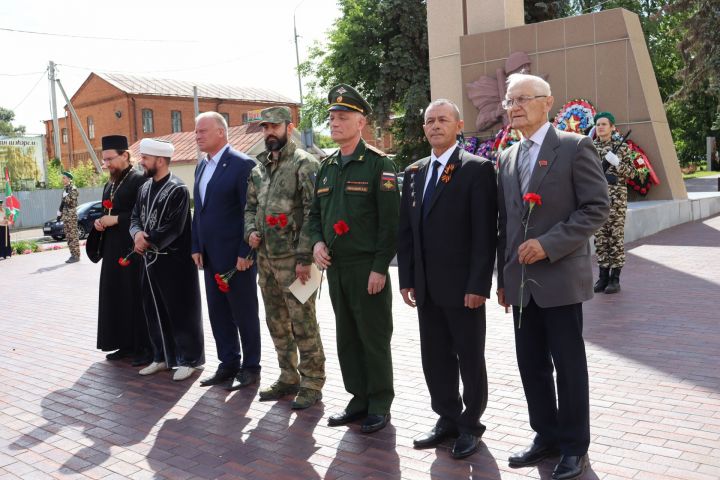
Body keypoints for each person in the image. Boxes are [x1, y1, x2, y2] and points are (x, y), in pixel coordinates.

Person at [496, 73, 609, 480]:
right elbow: (506, 224)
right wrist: (504, 278)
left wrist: (549, 243)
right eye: (510, 101)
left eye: (523, 99)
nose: (515, 107)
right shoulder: (508, 156)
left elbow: (597, 207)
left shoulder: (574, 146)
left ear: (548, 102)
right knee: (531, 365)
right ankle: (545, 434)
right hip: (522, 284)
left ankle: (574, 447)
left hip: (559, 277)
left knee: (568, 365)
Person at [397, 99, 497, 459]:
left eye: (442, 120)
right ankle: (447, 417)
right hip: (425, 287)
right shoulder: (413, 172)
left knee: (469, 357)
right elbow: (406, 230)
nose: (435, 125)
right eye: (429, 121)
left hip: (462, 288)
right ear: (424, 129)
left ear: (458, 126)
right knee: (435, 357)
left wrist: (477, 285)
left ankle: (471, 424)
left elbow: (485, 234)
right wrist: (407, 278)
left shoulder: (477, 169)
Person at [308, 84, 400, 433]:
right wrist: (316, 243)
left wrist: (380, 267)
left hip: (366, 268)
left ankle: (379, 402)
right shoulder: (328, 166)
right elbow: (315, 215)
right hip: (336, 269)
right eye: (332, 117)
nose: (335, 122)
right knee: (347, 337)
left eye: (343, 117)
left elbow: (390, 224)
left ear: (361, 122)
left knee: (373, 337)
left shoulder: (378, 164)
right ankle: (358, 398)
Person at [245, 106, 326, 409]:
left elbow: (313, 213)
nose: (269, 133)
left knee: (303, 323)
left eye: (274, 127)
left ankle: (312, 382)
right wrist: (250, 231)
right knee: (277, 322)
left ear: (288, 128)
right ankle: (287, 376)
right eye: (265, 127)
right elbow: (249, 209)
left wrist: (306, 257)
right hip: (266, 262)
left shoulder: (305, 164)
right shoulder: (258, 169)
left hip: (298, 262)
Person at [191, 112, 261, 390]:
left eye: (202, 131)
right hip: (209, 256)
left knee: (244, 312)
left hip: (236, 257)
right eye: (196, 132)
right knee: (218, 312)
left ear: (221, 132)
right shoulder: (200, 166)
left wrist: (247, 251)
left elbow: (250, 211)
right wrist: (196, 245)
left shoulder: (242, 165)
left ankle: (251, 367)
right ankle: (228, 363)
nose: (197, 136)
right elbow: (199, 211)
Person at [130, 138, 205, 382]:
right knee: (153, 310)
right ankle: (161, 357)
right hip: (149, 263)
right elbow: (135, 218)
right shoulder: (143, 188)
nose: (142, 162)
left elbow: (173, 228)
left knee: (181, 312)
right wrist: (136, 234)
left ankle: (189, 360)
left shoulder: (178, 189)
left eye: (145, 158)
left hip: (174, 264)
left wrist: (146, 240)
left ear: (160, 161)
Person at [93, 135, 152, 365]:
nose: (106, 164)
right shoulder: (110, 183)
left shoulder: (139, 180)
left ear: (125, 155)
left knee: (135, 298)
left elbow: (144, 216)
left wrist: (115, 219)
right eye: (104, 160)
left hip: (132, 251)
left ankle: (143, 347)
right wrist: (100, 222)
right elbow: (107, 214)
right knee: (116, 296)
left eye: (110, 159)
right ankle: (124, 344)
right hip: (111, 250)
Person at [591, 112, 635, 294]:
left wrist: (617, 163)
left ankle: (615, 279)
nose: (600, 127)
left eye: (604, 124)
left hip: (616, 199)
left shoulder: (622, 148)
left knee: (615, 238)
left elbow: (632, 174)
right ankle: (602, 277)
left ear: (612, 128)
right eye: (598, 124)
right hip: (596, 198)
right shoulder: (589, 148)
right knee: (600, 239)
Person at [59, 171, 80, 263]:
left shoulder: (73, 189)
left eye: (64, 178)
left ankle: (76, 256)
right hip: (66, 215)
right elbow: (63, 203)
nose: (62, 179)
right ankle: (72, 254)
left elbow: (71, 202)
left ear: (69, 179)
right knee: (68, 236)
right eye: (62, 178)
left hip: (71, 215)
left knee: (73, 236)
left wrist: (65, 197)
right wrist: (59, 212)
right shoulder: (65, 189)